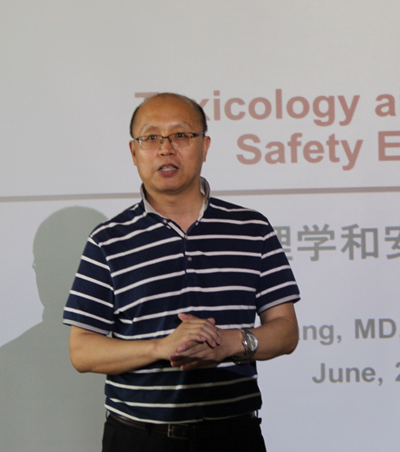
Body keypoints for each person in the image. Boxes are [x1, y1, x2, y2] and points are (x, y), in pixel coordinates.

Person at [63, 92, 300, 452]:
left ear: (205, 146)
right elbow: (82, 351)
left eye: (181, 135)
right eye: (151, 137)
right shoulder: (108, 240)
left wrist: (230, 343)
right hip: (139, 439)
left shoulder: (252, 228)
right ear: (134, 152)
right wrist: (162, 347)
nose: (165, 148)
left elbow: (286, 331)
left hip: (234, 435)